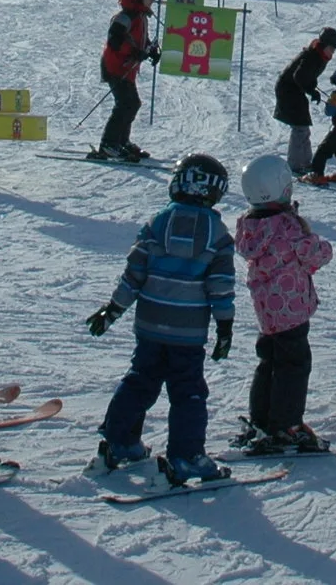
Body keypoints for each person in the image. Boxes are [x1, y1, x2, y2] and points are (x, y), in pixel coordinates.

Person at [86, 152, 237, 486]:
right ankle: (185, 456)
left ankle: (118, 441)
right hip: (187, 333)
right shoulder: (217, 234)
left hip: (150, 326)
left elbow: (134, 273)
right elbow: (220, 287)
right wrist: (224, 326)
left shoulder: (157, 224)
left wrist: (112, 309)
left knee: (140, 380)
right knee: (188, 393)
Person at [233, 154, 332, 453]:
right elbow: (317, 254)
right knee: (294, 365)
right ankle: (286, 424)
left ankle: (262, 418)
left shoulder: (250, 226)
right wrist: (320, 244)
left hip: (267, 312)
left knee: (269, 362)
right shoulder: (288, 228)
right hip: (291, 311)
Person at [91, 0, 160, 163]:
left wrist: (150, 50)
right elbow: (114, 39)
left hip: (125, 68)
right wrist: (135, 52)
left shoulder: (140, 15)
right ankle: (108, 144)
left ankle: (121, 142)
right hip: (115, 66)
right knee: (125, 104)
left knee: (132, 103)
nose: (152, 1)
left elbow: (137, 39)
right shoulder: (127, 15)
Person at [271, 27, 336, 175]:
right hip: (288, 91)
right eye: (331, 49)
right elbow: (299, 76)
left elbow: (306, 76)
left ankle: (306, 163)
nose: (332, 53)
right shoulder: (312, 56)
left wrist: (311, 87)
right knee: (300, 127)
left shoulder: (318, 55)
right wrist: (311, 90)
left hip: (294, 91)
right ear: (324, 45)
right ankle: (295, 165)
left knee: (303, 127)